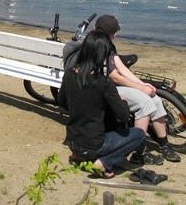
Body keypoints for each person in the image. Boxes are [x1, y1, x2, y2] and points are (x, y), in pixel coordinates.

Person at [64, 15, 181, 165]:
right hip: (103, 87)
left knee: (156, 99)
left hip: (105, 85)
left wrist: (143, 85)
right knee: (144, 103)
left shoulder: (101, 43)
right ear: (113, 34)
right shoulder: (98, 46)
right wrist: (140, 89)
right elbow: (114, 77)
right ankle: (140, 152)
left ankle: (164, 144)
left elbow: (121, 68)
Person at [57, 30, 145, 178]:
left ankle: (80, 156)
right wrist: (120, 100)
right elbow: (123, 116)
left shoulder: (69, 74)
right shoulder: (103, 82)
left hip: (73, 141)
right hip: (94, 144)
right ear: (101, 55)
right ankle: (104, 162)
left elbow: (62, 102)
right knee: (139, 135)